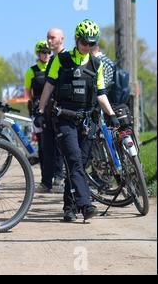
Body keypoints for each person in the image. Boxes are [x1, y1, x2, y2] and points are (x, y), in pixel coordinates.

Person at [35, 19, 120, 222]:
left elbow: (100, 94)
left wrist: (112, 115)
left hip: (87, 121)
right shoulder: (61, 60)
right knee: (73, 161)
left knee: (79, 164)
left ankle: (69, 208)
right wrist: (39, 111)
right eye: (84, 43)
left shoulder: (96, 64)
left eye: (92, 44)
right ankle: (85, 204)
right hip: (64, 118)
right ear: (76, 39)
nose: (87, 47)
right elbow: (49, 86)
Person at [35, 28, 67, 193]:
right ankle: (46, 181)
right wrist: (40, 111)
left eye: (52, 37)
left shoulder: (67, 59)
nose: (49, 40)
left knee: (62, 149)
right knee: (46, 148)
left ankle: (60, 178)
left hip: (64, 112)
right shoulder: (51, 61)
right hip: (49, 112)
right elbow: (47, 88)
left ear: (62, 39)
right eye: (48, 37)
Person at [25, 40, 51, 192]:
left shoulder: (54, 66)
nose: (46, 54)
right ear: (38, 53)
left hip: (53, 109)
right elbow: (28, 92)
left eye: (48, 52)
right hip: (39, 111)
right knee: (42, 145)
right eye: (43, 52)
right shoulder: (32, 71)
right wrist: (34, 105)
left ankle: (58, 176)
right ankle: (44, 179)